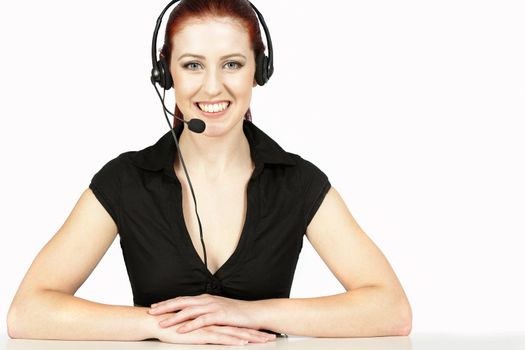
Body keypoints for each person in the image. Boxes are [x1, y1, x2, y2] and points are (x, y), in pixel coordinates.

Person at [7, 0, 412, 345]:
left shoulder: (298, 182)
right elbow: (26, 312)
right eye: (193, 65)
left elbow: (391, 310)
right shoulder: (126, 180)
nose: (213, 87)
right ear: (166, 75)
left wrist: (247, 313)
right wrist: (162, 326)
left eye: (232, 64)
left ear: (259, 71)